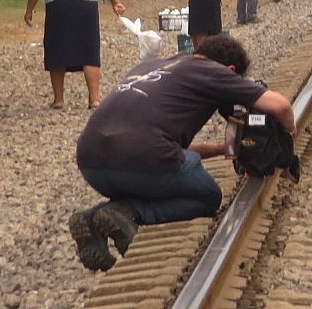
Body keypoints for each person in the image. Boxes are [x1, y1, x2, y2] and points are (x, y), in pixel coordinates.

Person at [68, 34, 296, 271]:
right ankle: (130, 212)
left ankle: (94, 217)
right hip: (140, 160)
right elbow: (280, 105)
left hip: (91, 163)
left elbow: (163, 146)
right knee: (207, 196)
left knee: (160, 172)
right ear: (230, 70)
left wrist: (220, 148)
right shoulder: (212, 70)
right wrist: (289, 132)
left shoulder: (150, 66)